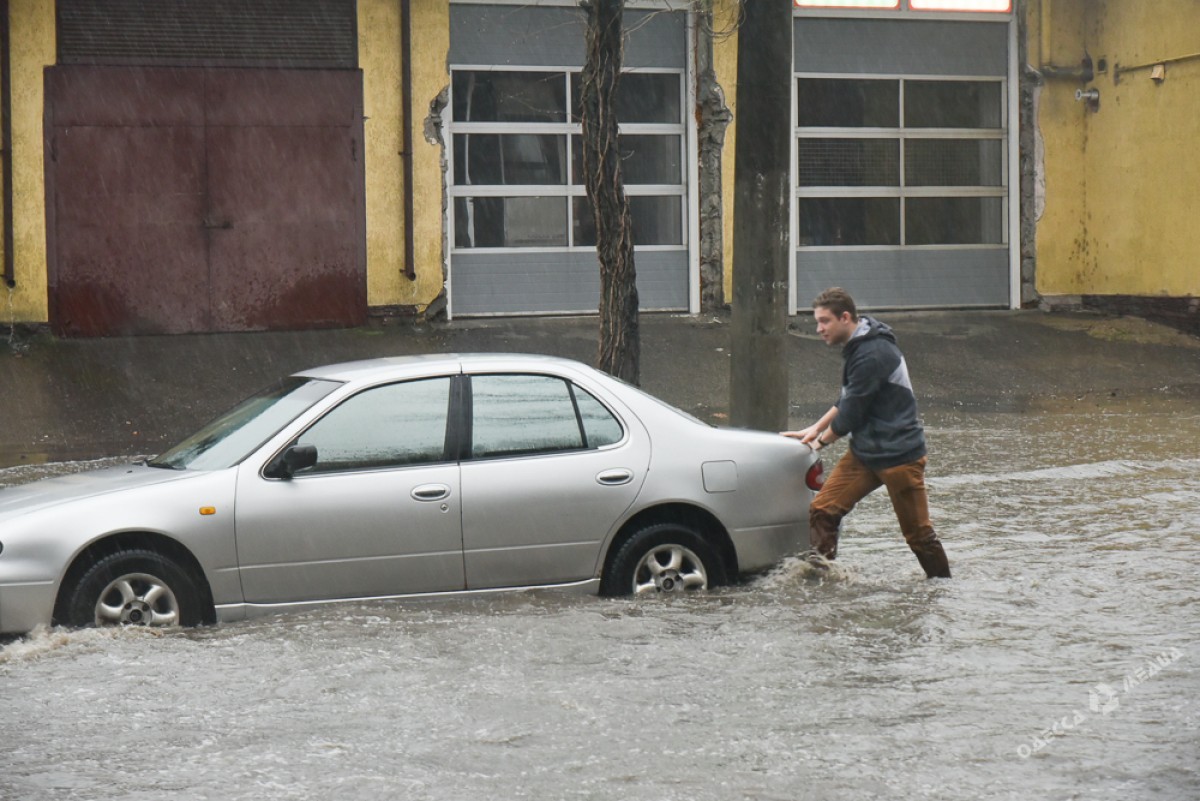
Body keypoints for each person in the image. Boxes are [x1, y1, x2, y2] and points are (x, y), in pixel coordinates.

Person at [783, 287, 951, 578]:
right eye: (818, 322)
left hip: (900, 457)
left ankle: (941, 589)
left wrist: (818, 444)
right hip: (865, 454)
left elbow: (851, 415)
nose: (819, 329)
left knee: (919, 536)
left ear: (845, 317)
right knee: (823, 510)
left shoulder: (872, 354)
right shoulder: (860, 345)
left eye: (824, 321)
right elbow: (850, 398)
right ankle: (822, 580)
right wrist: (815, 428)